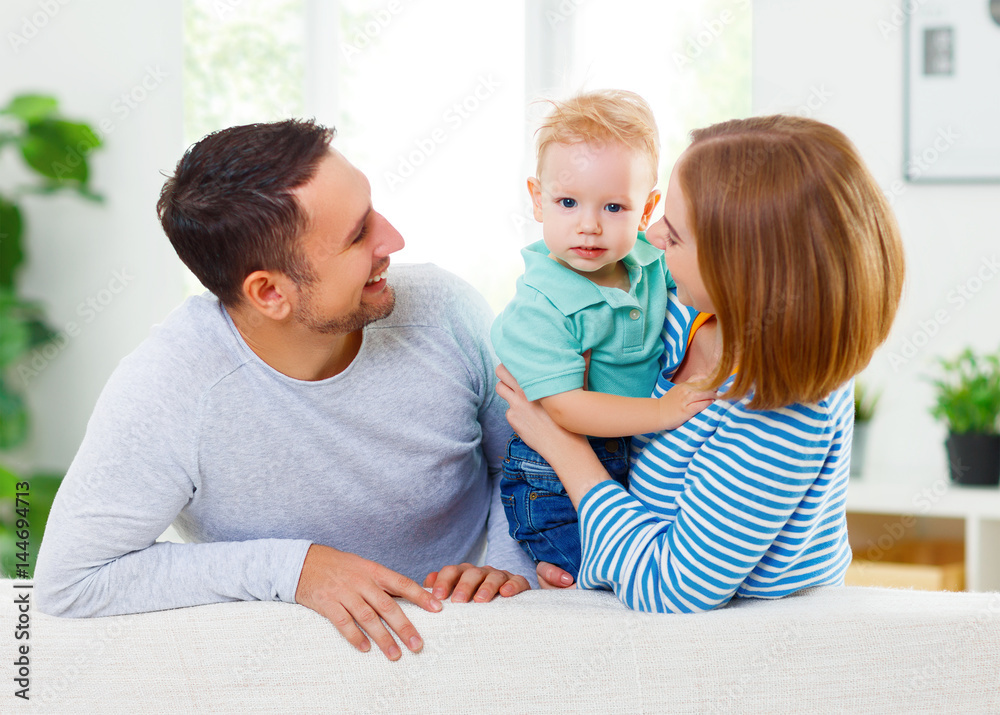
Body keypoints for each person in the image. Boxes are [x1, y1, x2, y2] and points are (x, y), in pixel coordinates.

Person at [35, 119, 535, 661]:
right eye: (357, 234)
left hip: (456, 639)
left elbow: (521, 461)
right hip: (279, 663)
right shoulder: (170, 387)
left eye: (371, 210)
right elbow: (70, 580)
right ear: (270, 292)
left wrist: (507, 570)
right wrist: (296, 568)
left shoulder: (443, 311)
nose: (393, 240)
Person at [497, 114, 906, 609]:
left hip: (746, 648)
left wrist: (563, 449)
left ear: (741, 269)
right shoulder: (679, 308)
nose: (651, 233)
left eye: (674, 232)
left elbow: (673, 589)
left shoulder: (786, 413)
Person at [491, 89, 715, 577]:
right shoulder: (540, 304)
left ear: (648, 208)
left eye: (614, 207)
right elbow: (563, 408)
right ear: (537, 199)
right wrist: (660, 411)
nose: (588, 226)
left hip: (623, 462)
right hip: (550, 479)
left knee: (632, 560)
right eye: (568, 202)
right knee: (605, 579)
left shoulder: (651, 263)